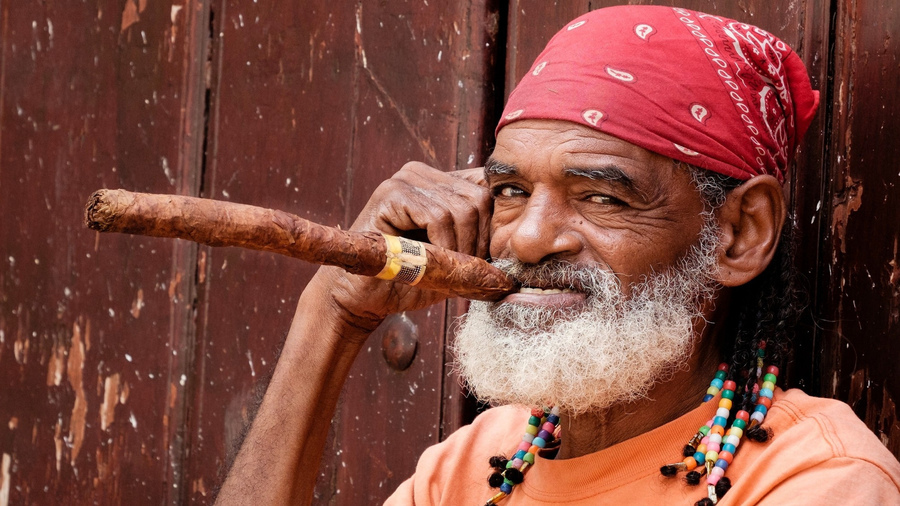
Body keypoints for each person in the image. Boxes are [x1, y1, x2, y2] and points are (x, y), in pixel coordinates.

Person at [215, 5, 900, 505]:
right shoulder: (475, 465)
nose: (527, 238)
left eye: (601, 198)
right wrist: (333, 312)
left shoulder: (814, 478)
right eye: (509, 190)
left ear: (740, 232)